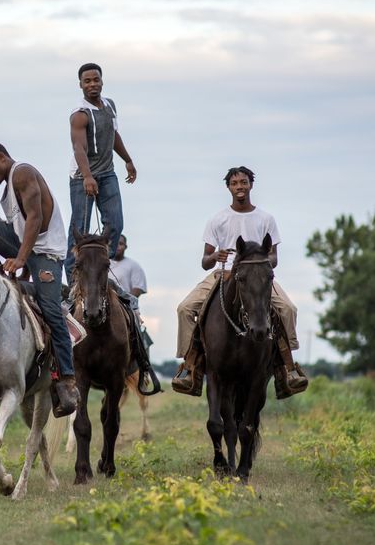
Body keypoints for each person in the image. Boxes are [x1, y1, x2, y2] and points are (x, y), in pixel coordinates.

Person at [0, 141, 80, 418]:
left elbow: (36, 218)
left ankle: (67, 378)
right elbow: (21, 228)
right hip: (24, 247)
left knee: (51, 310)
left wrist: (22, 260)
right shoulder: (8, 189)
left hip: (45, 255)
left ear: (2, 157)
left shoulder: (23, 173)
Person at [171, 167, 309, 398]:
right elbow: (205, 261)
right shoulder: (218, 219)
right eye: (234, 183)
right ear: (228, 188)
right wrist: (216, 256)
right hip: (222, 274)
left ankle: (288, 367)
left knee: (287, 308)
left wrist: (262, 262)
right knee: (184, 308)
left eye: (243, 182)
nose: (240, 187)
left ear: (251, 185)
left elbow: (274, 257)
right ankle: (190, 367)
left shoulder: (266, 218)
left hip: (257, 275)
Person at [65, 62, 137, 285]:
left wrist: (128, 160)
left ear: (102, 81)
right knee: (80, 229)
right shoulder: (80, 114)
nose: (92, 84)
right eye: (87, 81)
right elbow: (79, 148)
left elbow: (113, 134)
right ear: (80, 85)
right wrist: (87, 176)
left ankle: (101, 269)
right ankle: (73, 280)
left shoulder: (109, 105)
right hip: (82, 177)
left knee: (115, 224)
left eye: (96, 79)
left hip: (107, 173)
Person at [109, 234, 159, 391]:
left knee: (137, 330)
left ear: (126, 246)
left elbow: (137, 290)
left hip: (125, 305)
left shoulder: (134, 266)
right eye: (115, 244)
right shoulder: (104, 263)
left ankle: (142, 365)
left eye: (121, 244)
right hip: (103, 305)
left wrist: (119, 300)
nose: (118, 246)